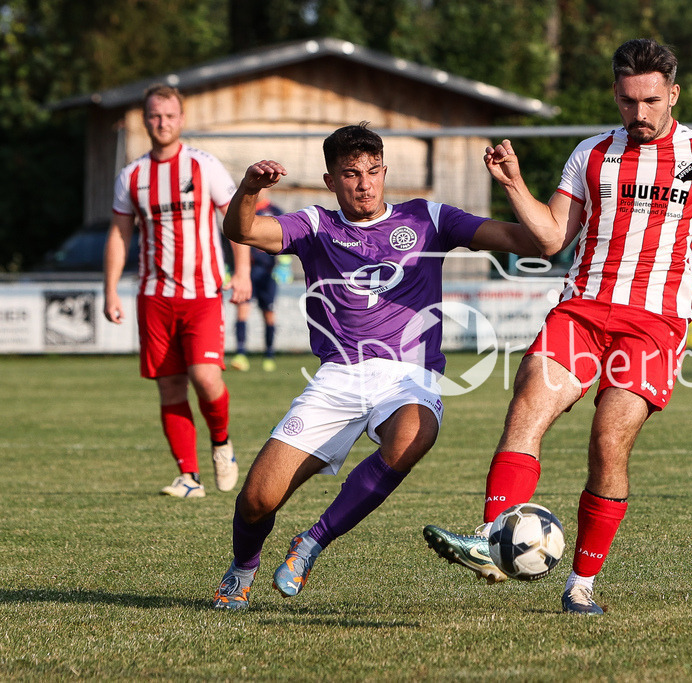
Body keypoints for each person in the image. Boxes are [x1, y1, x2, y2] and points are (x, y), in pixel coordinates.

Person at [422, 39, 692, 615]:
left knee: (608, 442)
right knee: (527, 407)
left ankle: (580, 584)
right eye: (629, 101)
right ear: (617, 97)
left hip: (653, 325)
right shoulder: (590, 154)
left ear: (673, 94)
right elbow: (552, 238)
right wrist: (513, 184)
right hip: (581, 311)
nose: (640, 113)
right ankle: (492, 538)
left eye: (652, 100)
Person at [212, 123, 546, 610]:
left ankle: (310, 543)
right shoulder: (315, 225)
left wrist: (513, 184)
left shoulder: (428, 217)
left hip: (410, 376)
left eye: (373, 172)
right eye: (351, 174)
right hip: (337, 377)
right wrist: (250, 189)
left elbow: (533, 242)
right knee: (258, 500)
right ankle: (243, 567)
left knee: (415, 434)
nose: (364, 183)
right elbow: (242, 231)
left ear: (385, 171)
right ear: (331, 181)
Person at [104, 84, 251, 499]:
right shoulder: (131, 176)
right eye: (154, 116)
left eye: (169, 115)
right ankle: (189, 477)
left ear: (181, 119)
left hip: (203, 294)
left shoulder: (203, 166)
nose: (162, 122)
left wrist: (242, 272)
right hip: (153, 296)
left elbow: (237, 220)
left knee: (205, 378)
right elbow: (118, 235)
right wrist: (110, 290)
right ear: (145, 120)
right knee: (170, 388)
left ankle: (221, 443)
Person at [230, 191, 288, 373]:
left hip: (268, 272)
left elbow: (287, 239)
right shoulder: (243, 211)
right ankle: (240, 354)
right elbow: (231, 239)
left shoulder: (275, 210)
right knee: (242, 309)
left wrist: (283, 266)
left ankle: (269, 355)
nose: (259, 191)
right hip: (247, 270)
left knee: (268, 313)